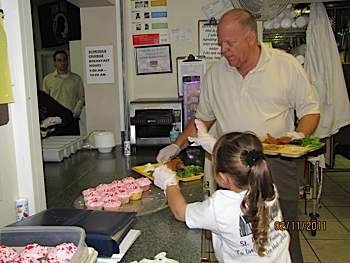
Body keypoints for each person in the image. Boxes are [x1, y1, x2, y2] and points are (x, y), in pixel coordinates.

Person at [157, 9, 320, 263]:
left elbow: (311, 111)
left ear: (250, 38)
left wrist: (298, 135)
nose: (223, 49)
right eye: (220, 42)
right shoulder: (215, 74)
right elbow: (202, 120)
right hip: (233, 167)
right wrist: (176, 146)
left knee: (282, 232)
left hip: (276, 164)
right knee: (238, 233)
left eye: (229, 43)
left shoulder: (285, 65)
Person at [154, 131, 291, 263]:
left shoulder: (220, 205)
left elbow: (180, 212)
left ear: (223, 178)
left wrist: (169, 182)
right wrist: (210, 143)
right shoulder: (268, 186)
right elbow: (241, 159)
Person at [41, 50, 85, 135]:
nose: (62, 62)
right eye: (59, 60)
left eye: (64, 59)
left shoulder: (76, 79)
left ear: (67, 61)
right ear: (55, 63)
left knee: (73, 144)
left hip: (71, 119)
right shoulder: (48, 79)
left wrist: (76, 112)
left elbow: (81, 98)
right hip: (54, 121)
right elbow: (45, 100)